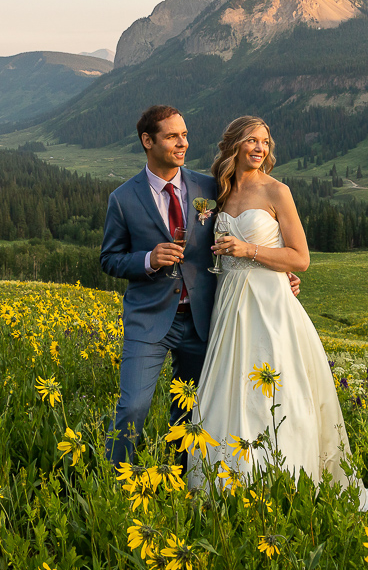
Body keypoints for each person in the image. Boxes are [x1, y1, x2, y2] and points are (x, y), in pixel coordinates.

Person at [99, 105, 300, 465]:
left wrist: (277, 272)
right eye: (173, 136)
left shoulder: (209, 187)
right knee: (132, 406)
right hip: (150, 321)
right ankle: (115, 483)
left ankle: (179, 476)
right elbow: (109, 259)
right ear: (148, 141)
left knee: (193, 410)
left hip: (207, 319)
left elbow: (238, 231)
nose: (183, 143)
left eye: (186, 135)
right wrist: (147, 259)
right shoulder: (123, 198)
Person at [192, 115, 368, 510]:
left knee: (274, 392)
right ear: (234, 145)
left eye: (265, 141)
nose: (260, 148)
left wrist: (251, 252)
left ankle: (285, 480)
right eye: (252, 140)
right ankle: (227, 483)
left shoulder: (278, 192)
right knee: (228, 388)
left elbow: (301, 258)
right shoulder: (219, 193)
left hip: (270, 307)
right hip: (229, 303)